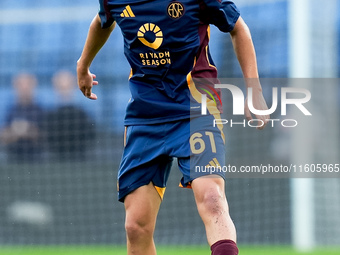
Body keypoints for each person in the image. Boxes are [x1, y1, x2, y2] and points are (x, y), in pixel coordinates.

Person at [77, 0, 269, 254]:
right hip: (145, 116)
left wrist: (253, 89)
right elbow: (103, 20)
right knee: (136, 226)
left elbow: (238, 27)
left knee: (212, 199)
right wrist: (83, 64)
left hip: (197, 107)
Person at [45, 70, 95, 160]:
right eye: (61, 86)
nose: (64, 89)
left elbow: (89, 136)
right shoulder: (50, 116)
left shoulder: (81, 114)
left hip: (80, 160)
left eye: (67, 86)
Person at [0, 72, 45, 162]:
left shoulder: (40, 111)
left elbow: (45, 136)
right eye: (20, 85)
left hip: (36, 158)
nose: (24, 88)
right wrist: (14, 131)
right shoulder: (10, 111)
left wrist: (27, 129)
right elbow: (3, 135)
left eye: (27, 84)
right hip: (12, 157)